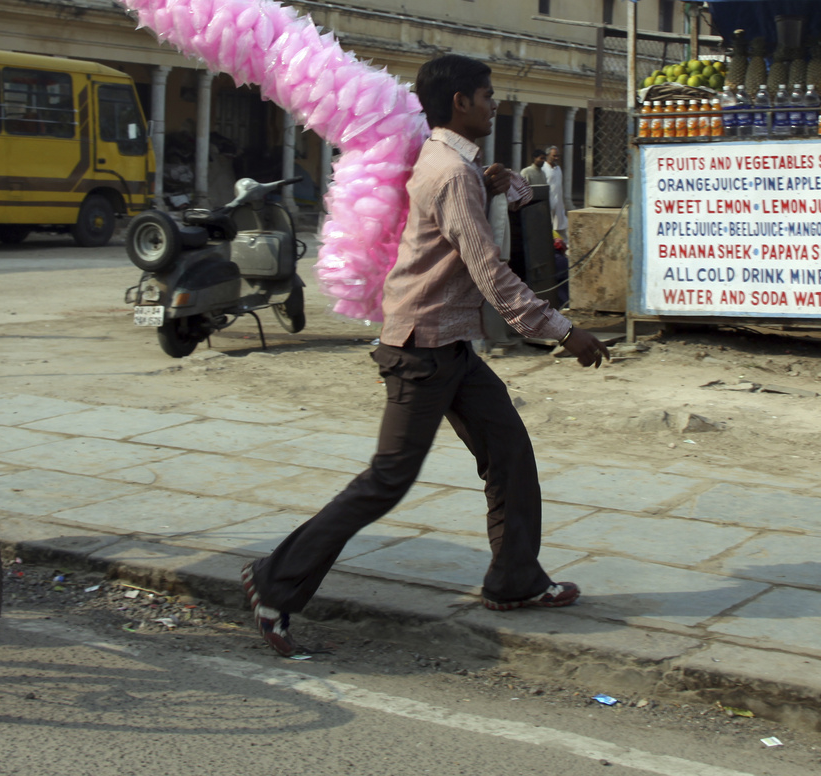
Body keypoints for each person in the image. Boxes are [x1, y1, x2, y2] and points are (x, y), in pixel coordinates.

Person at [240, 54, 610, 657]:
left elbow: (456, 226)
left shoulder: (446, 163)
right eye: (488, 96)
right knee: (387, 480)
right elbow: (487, 269)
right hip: (422, 349)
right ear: (461, 102)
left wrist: (497, 184)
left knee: (509, 453)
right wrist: (563, 331)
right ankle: (275, 581)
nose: (496, 105)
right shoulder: (452, 173)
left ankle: (514, 580)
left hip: (449, 344)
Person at [543, 145, 567, 238]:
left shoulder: (558, 168)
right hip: (548, 200)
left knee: (560, 225)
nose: (556, 158)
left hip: (559, 201)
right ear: (547, 155)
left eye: (558, 156)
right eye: (554, 156)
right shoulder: (543, 169)